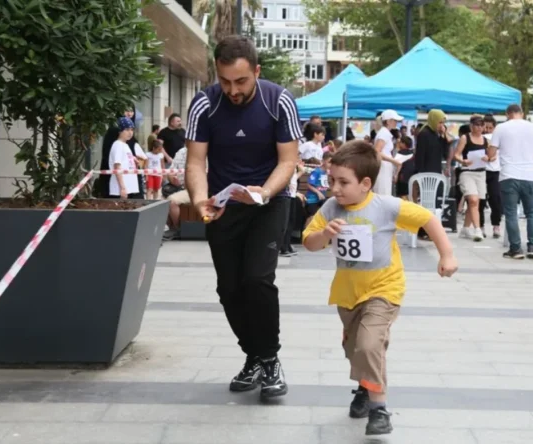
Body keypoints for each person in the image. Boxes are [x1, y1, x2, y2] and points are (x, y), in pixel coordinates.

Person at [302, 141, 458, 436]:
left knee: (369, 344)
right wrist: (324, 233)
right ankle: (364, 386)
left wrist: (447, 254)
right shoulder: (331, 207)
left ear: (365, 183)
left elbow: (428, 218)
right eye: (332, 180)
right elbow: (309, 243)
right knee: (354, 350)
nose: (335, 188)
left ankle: (379, 409)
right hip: (348, 294)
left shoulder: (385, 206)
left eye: (343, 182)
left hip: (384, 289)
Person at [183, 35, 302, 399]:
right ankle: (254, 356)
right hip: (223, 206)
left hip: (269, 201)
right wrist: (201, 200)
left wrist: (264, 193)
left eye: (241, 81)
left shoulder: (278, 100)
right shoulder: (204, 104)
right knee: (229, 288)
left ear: (256, 72)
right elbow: (195, 161)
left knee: (257, 280)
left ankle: (269, 360)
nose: (233, 90)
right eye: (225, 81)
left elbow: (288, 161)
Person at [489, 104, 533, 259]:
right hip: (529, 175)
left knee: (511, 213)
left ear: (508, 114)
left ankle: (516, 248)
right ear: (522, 112)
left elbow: (491, 152)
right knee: (531, 213)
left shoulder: (501, 128)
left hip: (508, 175)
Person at [454, 115, 489, 241]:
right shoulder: (465, 138)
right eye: (476, 125)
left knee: (475, 202)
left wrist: (488, 158)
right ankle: (478, 230)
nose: (479, 128)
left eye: (481, 125)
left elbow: (492, 156)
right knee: (473, 200)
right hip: (467, 172)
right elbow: (456, 155)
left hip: (481, 173)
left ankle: (465, 229)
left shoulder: (485, 140)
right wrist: (463, 161)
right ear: (471, 126)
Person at [108, 116, 146, 199]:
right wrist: (123, 188)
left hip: (129, 188)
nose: (130, 133)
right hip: (121, 190)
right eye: (127, 130)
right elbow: (117, 167)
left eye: (132, 130)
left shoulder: (125, 145)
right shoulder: (118, 145)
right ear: (120, 131)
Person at [479, 114, 502, 238]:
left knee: (495, 199)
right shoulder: (479, 139)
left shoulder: (498, 139)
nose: (487, 130)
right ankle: (481, 226)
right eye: (485, 128)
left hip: (495, 172)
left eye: (490, 128)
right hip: (481, 171)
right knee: (481, 200)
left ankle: (496, 225)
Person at [372, 110, 403, 195]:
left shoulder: (384, 132)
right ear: (389, 121)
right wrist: (394, 161)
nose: (396, 122)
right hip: (383, 168)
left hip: (384, 167)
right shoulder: (384, 133)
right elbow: (377, 151)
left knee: (383, 194)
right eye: (395, 120)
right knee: (383, 194)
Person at [305, 152, 332, 219]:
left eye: (332, 162)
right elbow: (309, 184)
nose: (331, 164)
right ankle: (307, 228)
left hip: (322, 198)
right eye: (329, 162)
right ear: (323, 161)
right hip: (312, 199)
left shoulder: (326, 172)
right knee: (311, 217)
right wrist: (318, 193)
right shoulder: (317, 171)